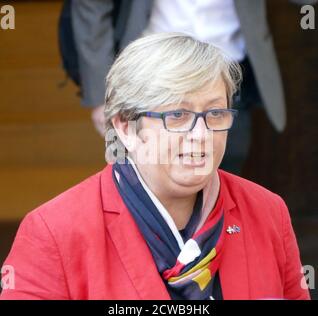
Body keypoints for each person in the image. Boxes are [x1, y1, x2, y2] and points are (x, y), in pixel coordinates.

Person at [0, 33, 309, 300]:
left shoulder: (267, 212)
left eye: (215, 113)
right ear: (124, 126)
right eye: (177, 115)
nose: (201, 135)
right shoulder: (54, 231)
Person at [71, 0, 286, 175]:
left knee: (225, 172)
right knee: (142, 179)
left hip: (230, 74)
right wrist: (103, 93)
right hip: (151, 75)